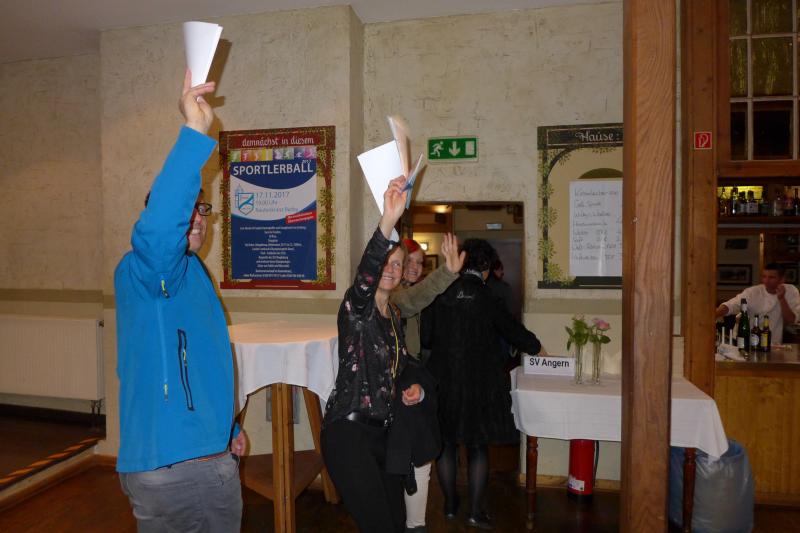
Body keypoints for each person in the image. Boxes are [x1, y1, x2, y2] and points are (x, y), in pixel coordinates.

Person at [114, 70, 245, 532]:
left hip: (194, 457)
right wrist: (194, 131)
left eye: (202, 209)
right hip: (184, 469)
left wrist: (229, 428)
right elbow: (158, 232)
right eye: (186, 210)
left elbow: (196, 360)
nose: (197, 218)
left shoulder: (190, 276)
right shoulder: (150, 268)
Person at [321, 176, 424, 533]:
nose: (391, 269)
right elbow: (365, 277)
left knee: (396, 524)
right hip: (349, 434)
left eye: (398, 264)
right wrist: (388, 221)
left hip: (383, 435)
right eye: (386, 262)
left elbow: (401, 367)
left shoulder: (393, 315)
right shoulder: (357, 308)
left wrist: (413, 389)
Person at [422, 238, 542, 530]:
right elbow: (516, 334)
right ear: (485, 266)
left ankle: (450, 505)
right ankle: (476, 512)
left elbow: (426, 338)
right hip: (480, 383)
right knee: (477, 446)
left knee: (446, 444)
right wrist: (538, 349)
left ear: (461, 261)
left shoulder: (439, 293)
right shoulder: (490, 297)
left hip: (443, 380)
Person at [390, 236, 464, 533]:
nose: (414, 267)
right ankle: (413, 523)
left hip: (415, 379)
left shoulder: (406, 294)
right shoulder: (393, 297)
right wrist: (447, 272)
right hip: (398, 386)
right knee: (417, 455)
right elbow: (412, 300)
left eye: (420, 263)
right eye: (408, 261)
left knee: (420, 456)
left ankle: (414, 523)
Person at [716, 262, 800, 344]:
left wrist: (782, 299)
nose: (766, 281)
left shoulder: (791, 291)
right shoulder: (752, 292)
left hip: (773, 342)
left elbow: (791, 320)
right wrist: (714, 315)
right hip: (746, 340)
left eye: (771, 277)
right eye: (764, 276)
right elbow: (731, 305)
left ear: (782, 279)